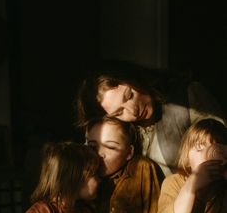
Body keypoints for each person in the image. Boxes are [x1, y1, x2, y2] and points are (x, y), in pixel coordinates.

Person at [76, 60, 226, 176]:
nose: (133, 111)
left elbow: (220, 147)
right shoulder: (122, 133)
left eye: (129, 96)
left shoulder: (187, 97)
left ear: (134, 78)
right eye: (119, 112)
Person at [85, 116, 164, 213]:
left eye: (110, 147)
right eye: (93, 147)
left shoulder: (140, 167)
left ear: (129, 152)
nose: (99, 153)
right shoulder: (84, 179)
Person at [151, 118, 227, 213]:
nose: (207, 156)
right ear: (187, 158)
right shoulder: (174, 183)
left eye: (217, 150)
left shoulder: (222, 187)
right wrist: (190, 187)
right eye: (200, 148)